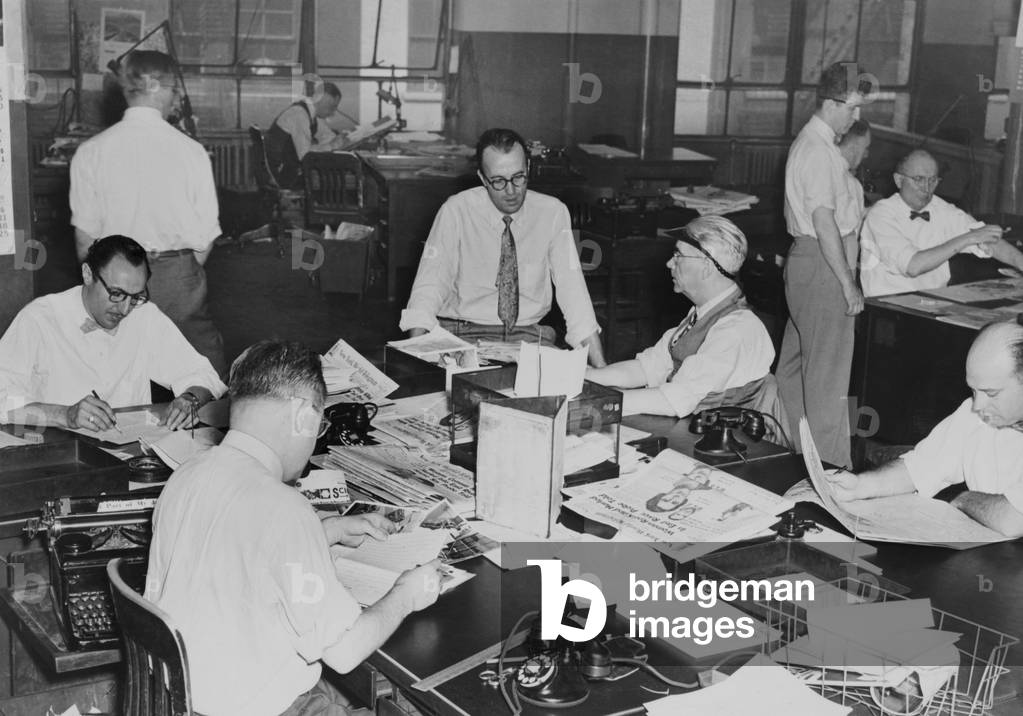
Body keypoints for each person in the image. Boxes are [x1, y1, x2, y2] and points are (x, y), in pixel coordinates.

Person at [145, 340, 443, 715]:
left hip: (178, 697)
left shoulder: (188, 474)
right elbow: (345, 652)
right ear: (303, 415)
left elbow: (235, 549)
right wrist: (406, 594)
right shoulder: (284, 507)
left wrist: (328, 530)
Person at [70, 50, 226, 377]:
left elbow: (85, 240)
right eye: (174, 89)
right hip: (177, 280)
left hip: (113, 279)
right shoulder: (192, 152)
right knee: (205, 378)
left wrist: (107, 284)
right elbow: (205, 237)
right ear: (158, 88)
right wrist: (178, 268)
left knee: (112, 378)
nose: (176, 98)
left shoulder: (91, 151)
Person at [399, 127, 607, 367]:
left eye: (519, 177)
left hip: (528, 337)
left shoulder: (553, 213)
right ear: (482, 178)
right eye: (498, 181)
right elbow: (428, 288)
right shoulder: (456, 211)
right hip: (463, 335)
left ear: (528, 167)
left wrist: (602, 369)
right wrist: (417, 358)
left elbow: (574, 294)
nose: (511, 191)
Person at [0, 235, 225, 431]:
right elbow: (3, 397)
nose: (125, 309)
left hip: (131, 451)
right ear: (88, 274)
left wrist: (189, 399)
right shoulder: (40, 319)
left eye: (135, 297)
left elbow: (203, 374)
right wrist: (65, 415)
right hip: (60, 450)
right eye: (116, 294)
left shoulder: (144, 316)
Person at [825, 319, 1023, 538]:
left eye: (991, 393)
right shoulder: (976, 414)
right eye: (974, 391)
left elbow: (1013, 520)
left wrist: (963, 499)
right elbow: (920, 468)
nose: (978, 405)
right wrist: (860, 486)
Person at [777, 62, 871, 469]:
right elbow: (824, 222)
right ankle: (834, 474)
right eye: (852, 107)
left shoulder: (814, 144)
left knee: (795, 367)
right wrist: (848, 283)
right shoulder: (818, 151)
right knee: (830, 378)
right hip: (823, 264)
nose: (857, 116)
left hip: (807, 262)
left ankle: (798, 458)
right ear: (831, 103)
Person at [586, 216, 775, 418]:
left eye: (678, 255)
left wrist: (601, 402)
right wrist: (587, 377)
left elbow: (673, 401)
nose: (669, 263)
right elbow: (648, 367)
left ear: (706, 266)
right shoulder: (705, 313)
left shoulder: (735, 330)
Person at [860, 149, 1023, 297]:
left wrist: (1020, 262)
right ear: (899, 180)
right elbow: (913, 266)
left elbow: (988, 240)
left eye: (932, 180)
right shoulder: (881, 215)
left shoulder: (942, 209)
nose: (926, 188)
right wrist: (969, 238)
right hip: (889, 305)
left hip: (932, 300)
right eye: (918, 179)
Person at [266, 81, 352, 189]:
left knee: (330, 179)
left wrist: (339, 139)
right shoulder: (299, 114)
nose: (333, 112)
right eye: (332, 107)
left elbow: (325, 135)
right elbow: (305, 155)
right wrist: (332, 145)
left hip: (288, 168)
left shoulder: (310, 112)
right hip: (282, 174)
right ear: (322, 101)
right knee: (333, 182)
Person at [645, 468, 714, 514]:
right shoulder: (707, 489)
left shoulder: (674, 476)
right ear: (682, 502)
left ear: (662, 495)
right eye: (675, 502)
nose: (674, 497)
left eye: (665, 499)